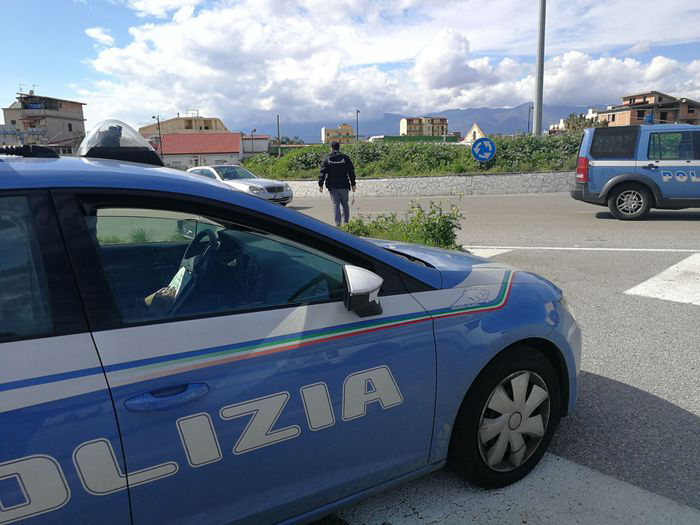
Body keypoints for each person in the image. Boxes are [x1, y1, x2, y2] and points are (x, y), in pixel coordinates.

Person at [319, 141, 356, 227]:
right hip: (344, 185)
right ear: (339, 148)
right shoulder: (345, 158)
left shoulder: (327, 159)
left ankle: (338, 224)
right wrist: (353, 184)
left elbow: (322, 173)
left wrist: (320, 185)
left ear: (331, 148)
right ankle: (346, 223)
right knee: (345, 204)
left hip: (333, 186)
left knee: (336, 204)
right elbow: (351, 172)